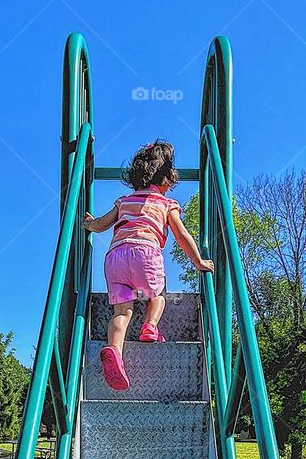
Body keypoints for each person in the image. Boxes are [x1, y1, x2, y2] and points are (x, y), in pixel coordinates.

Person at [84, 140, 214, 391]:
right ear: (166, 181)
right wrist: (197, 261)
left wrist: (89, 224)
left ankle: (115, 351)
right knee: (158, 294)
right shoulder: (166, 204)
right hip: (146, 253)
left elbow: (101, 225)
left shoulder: (124, 201)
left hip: (116, 257)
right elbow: (181, 235)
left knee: (121, 312)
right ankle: (150, 327)